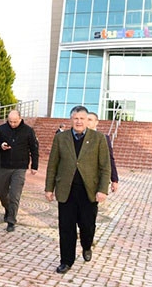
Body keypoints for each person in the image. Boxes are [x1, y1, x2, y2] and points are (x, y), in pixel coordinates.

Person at [45, 105, 110, 274]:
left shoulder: (99, 138)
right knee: (66, 227)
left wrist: (103, 189)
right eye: (76, 118)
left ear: (87, 120)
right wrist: (49, 188)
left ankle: (87, 245)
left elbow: (105, 167)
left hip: (89, 191)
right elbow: (52, 165)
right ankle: (66, 260)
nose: (79, 121)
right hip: (66, 191)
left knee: (87, 226)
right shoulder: (61, 138)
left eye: (82, 118)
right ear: (71, 120)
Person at [0, 109, 39, 232]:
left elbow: (34, 148)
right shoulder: (1, 129)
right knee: (2, 193)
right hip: (3, 166)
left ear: (20, 119)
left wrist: (34, 165)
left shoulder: (28, 131)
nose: (12, 124)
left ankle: (11, 220)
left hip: (20, 167)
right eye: (10, 121)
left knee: (14, 195)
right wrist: (1, 145)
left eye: (15, 122)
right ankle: (8, 209)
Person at [87, 112, 119, 192]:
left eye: (90, 120)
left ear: (96, 122)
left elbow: (109, 159)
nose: (87, 122)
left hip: (96, 180)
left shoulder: (103, 138)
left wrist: (114, 180)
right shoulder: (77, 137)